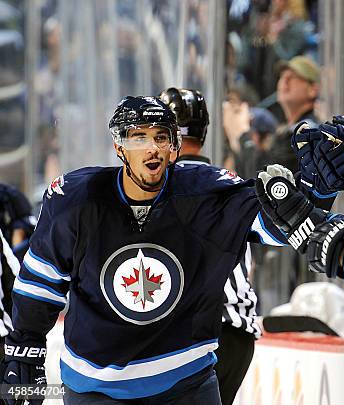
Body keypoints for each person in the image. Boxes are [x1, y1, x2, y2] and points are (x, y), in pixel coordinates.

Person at [0, 95, 291, 404]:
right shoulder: (77, 200)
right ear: (119, 147)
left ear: (173, 146)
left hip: (187, 381)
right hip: (96, 388)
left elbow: (280, 224)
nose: (152, 148)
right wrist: (25, 350)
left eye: (161, 137)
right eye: (140, 137)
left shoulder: (204, 192)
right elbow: (41, 283)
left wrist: (315, 192)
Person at [159, 87, 260, 405]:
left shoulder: (155, 186)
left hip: (189, 331)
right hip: (238, 335)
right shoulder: (230, 183)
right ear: (204, 132)